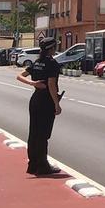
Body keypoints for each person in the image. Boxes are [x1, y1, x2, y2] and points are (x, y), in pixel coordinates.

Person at [16, 36, 62, 176]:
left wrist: (33, 84)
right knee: (43, 134)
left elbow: (19, 75)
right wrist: (56, 104)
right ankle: (43, 166)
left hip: (35, 99)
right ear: (51, 49)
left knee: (34, 132)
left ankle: (33, 164)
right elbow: (51, 85)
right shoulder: (52, 63)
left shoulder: (38, 62)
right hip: (46, 100)